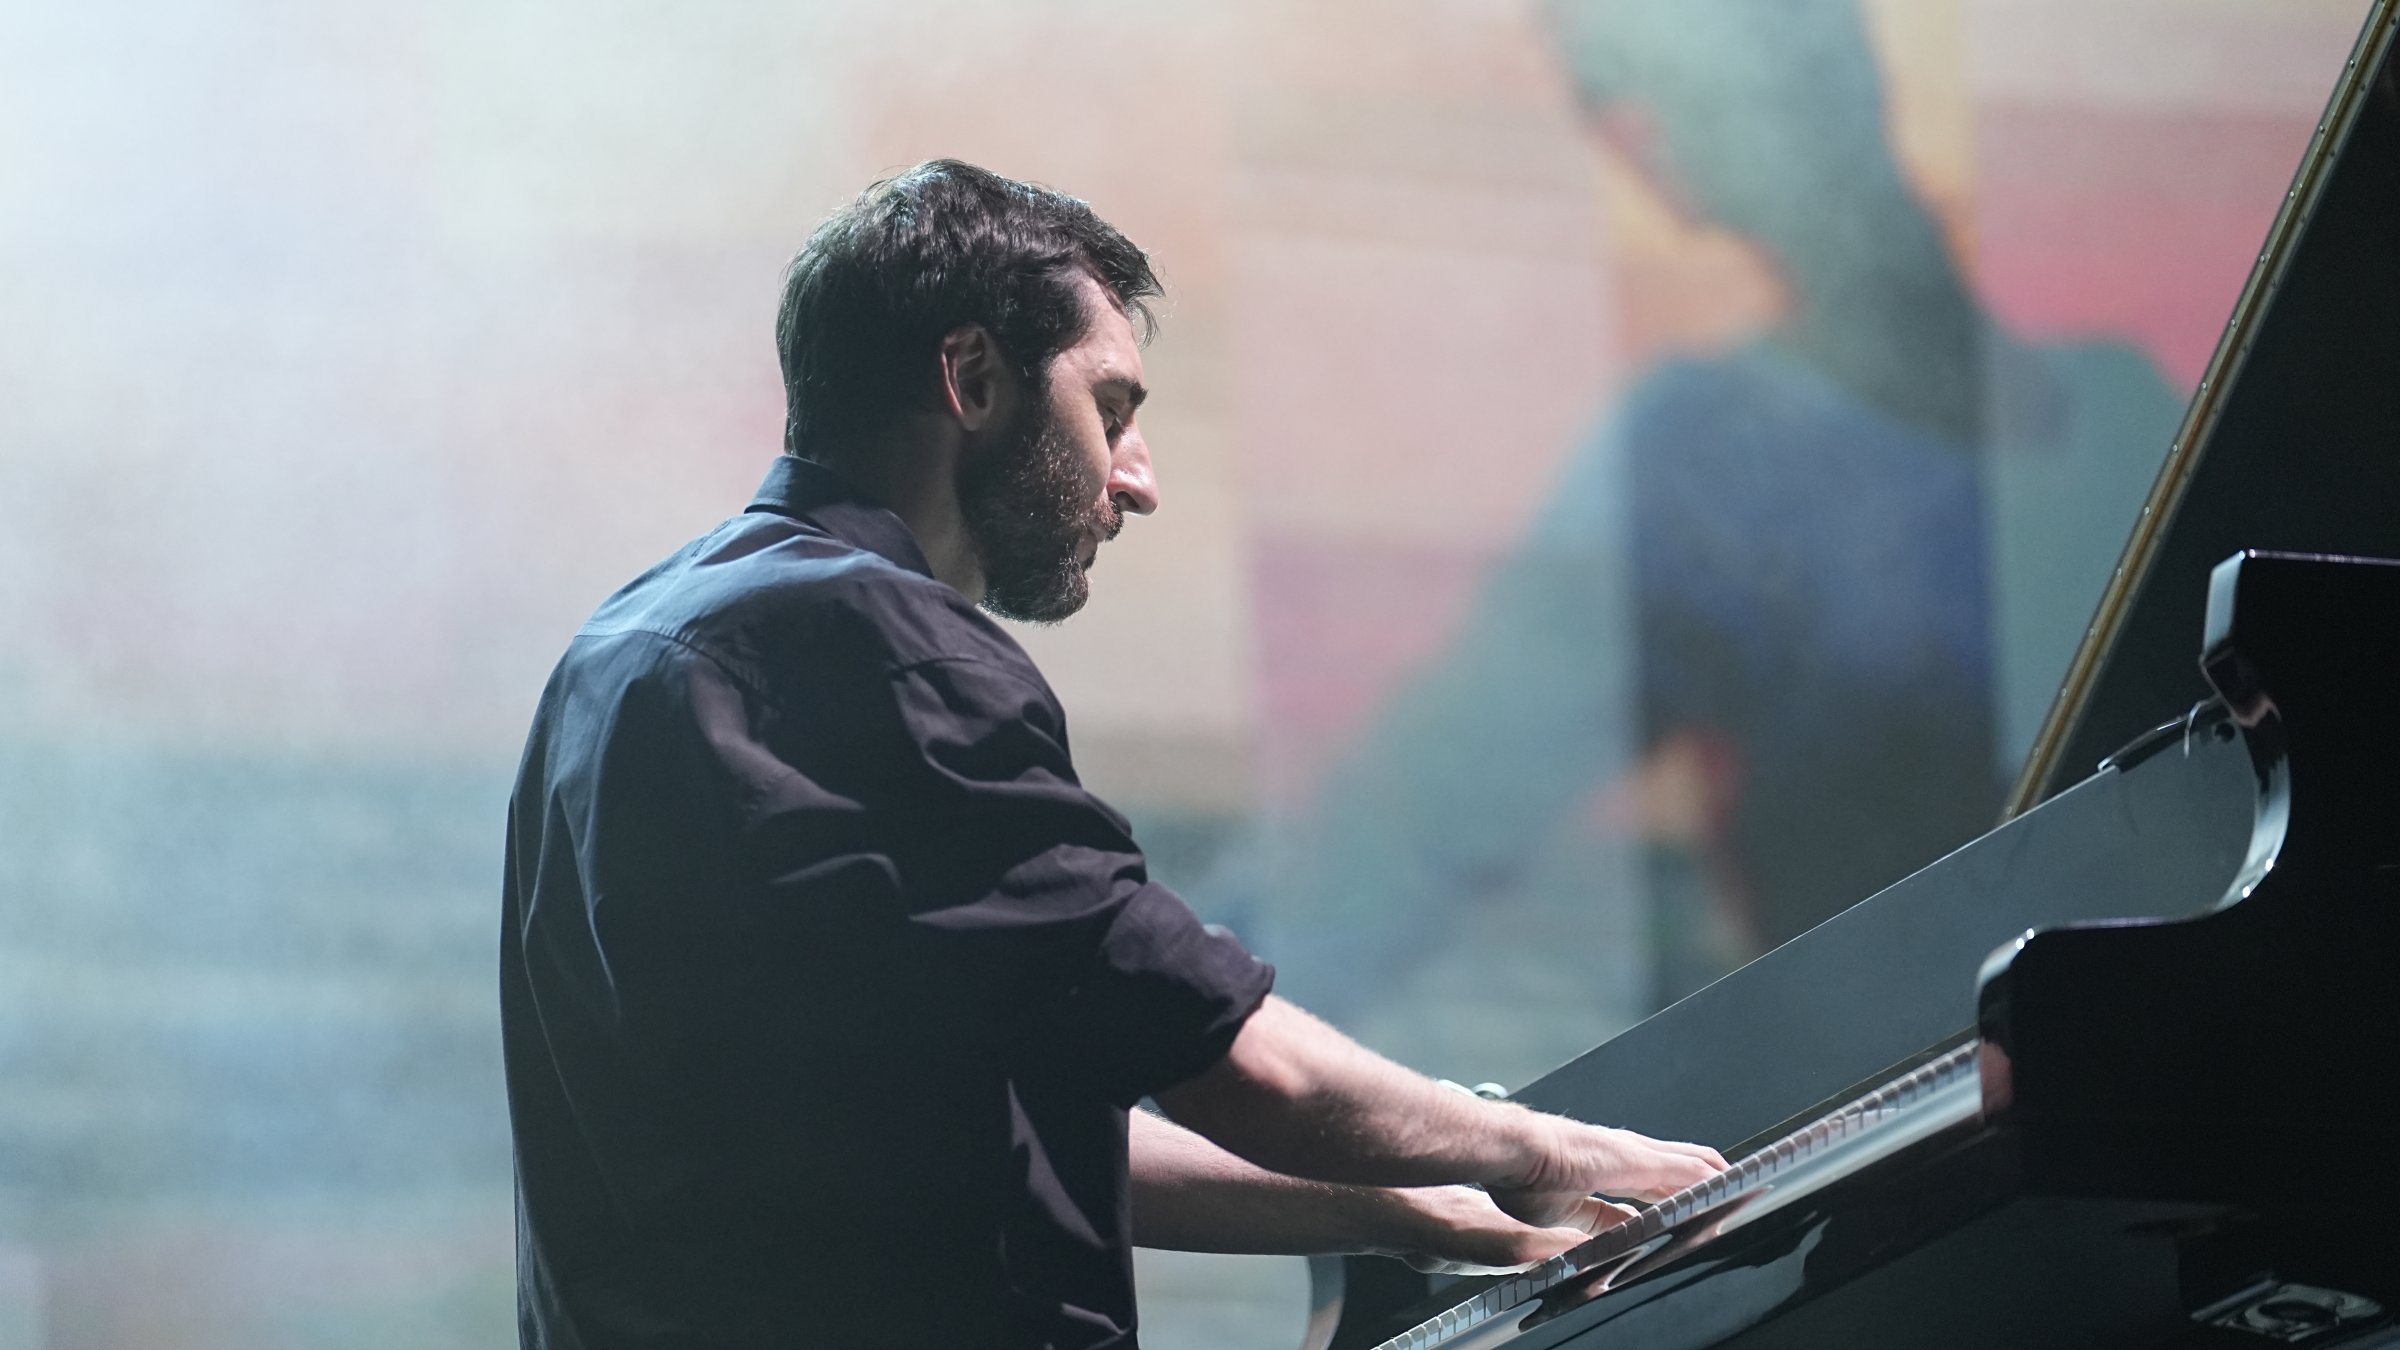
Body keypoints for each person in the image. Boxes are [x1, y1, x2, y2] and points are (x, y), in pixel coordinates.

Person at [499, 160, 1724, 1350]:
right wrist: (1555, 1152)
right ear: (972, 375)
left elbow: (1007, 1121)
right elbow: (1233, 1066)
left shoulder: (624, 646)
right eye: (1113, 409)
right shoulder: (875, 643)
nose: (1135, 482)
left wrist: (1415, 1213)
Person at [1221, 0, 2182, 1086]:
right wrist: (1130, 1011)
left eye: (1639, 67)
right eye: (1601, 93)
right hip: (1915, 1148)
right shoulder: (1701, 461)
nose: (1628, 127)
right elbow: (1414, 821)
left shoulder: (2125, 419)